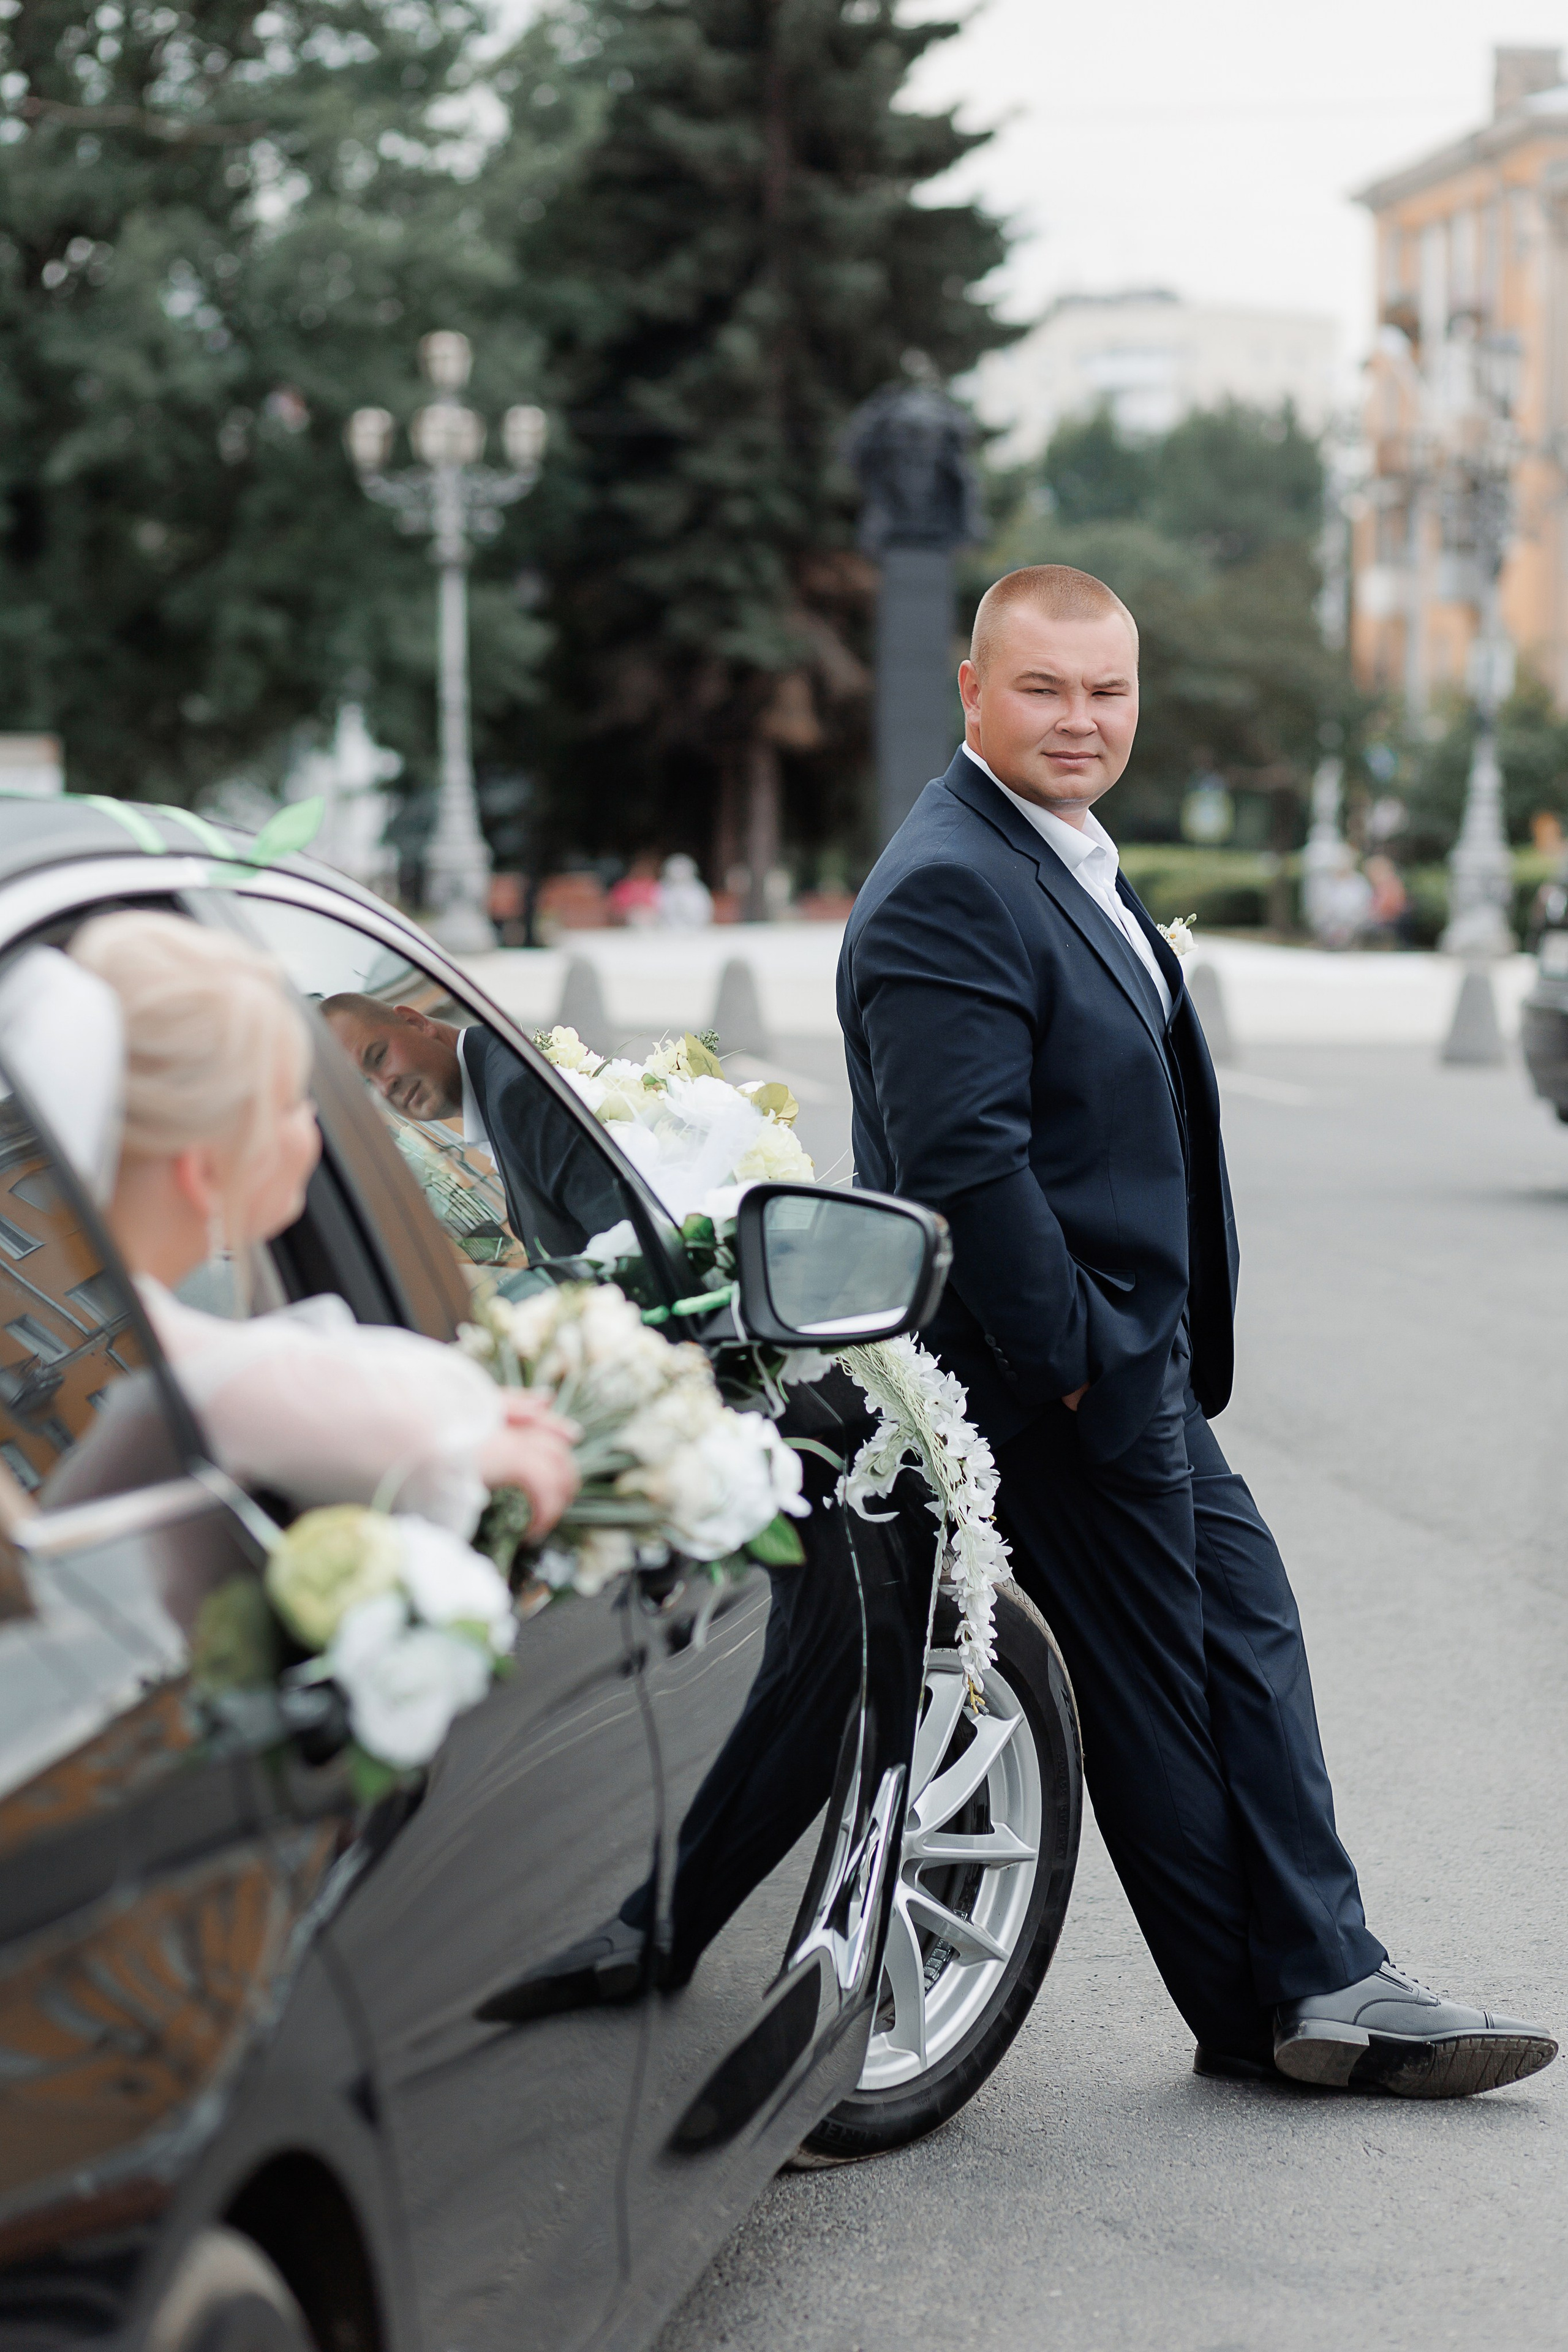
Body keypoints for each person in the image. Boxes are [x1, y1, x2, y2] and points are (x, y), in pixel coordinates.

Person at [837, 563, 1558, 2097]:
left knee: (1243, 1633)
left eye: (1104, 690)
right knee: (1158, 1698)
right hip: (1046, 1380)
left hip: (1128, 1358)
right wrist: (1079, 1369)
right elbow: (962, 1168)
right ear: (973, 691)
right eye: (1042, 687)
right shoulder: (951, 879)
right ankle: (1260, 2012)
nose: (1079, 718)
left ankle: (1322, 1971)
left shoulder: (1050, 851)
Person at [37, 913, 576, 1540]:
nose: (320, 1125)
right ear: (206, 1171)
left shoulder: (143, 1390)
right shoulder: (258, 1386)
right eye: (294, 1102)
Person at [320, 993, 625, 1262]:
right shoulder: (497, 1080)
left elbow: (626, 1243)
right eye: (364, 1086)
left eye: (378, 1056)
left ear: (415, 1022)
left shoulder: (515, 1095)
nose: (384, 1087)